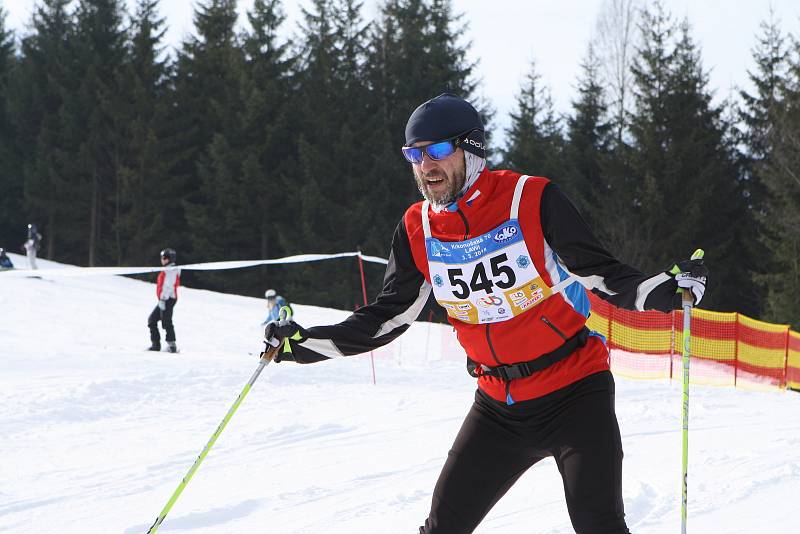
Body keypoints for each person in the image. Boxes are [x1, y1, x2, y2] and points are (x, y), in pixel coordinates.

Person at [262, 93, 708, 533]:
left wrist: (665, 291)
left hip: (575, 392)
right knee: (441, 528)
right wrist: (304, 344)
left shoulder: (531, 200)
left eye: (438, 150)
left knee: (599, 524)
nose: (426, 166)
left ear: (471, 151)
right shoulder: (418, 228)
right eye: (414, 154)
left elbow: (602, 275)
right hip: (498, 406)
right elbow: (390, 316)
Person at [147, 248, 181, 353]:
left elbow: (168, 286)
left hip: (168, 299)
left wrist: (163, 299)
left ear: (170, 259)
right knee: (152, 320)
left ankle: (172, 346)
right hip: (164, 299)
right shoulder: (167, 269)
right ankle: (155, 344)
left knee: (166, 321)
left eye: (165, 258)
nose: (162, 260)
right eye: (161, 257)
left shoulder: (171, 270)